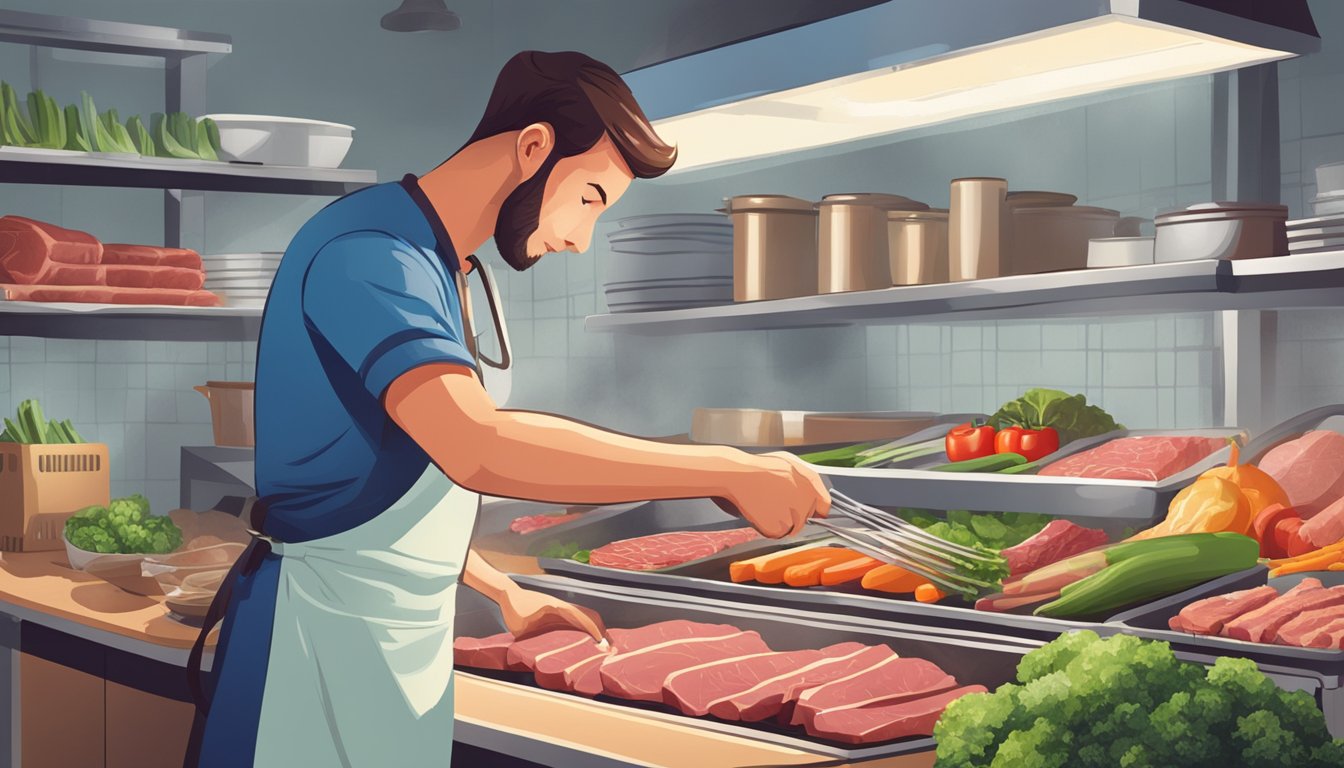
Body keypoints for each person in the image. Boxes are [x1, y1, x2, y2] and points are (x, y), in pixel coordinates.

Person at [184, 50, 829, 768]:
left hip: (393, 646)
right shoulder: (371, 253)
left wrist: (499, 589)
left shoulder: (447, 266)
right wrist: (723, 470)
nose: (581, 239)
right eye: (589, 198)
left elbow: (400, 472)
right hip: (310, 646)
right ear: (533, 148)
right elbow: (475, 445)